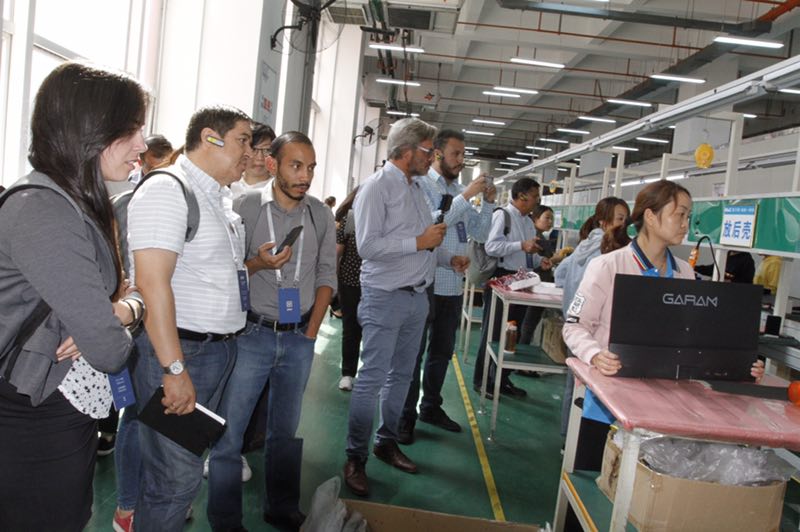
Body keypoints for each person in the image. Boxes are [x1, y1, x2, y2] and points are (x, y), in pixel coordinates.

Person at [0, 62, 142, 531]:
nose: (142, 145)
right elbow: (108, 349)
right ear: (91, 133)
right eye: (132, 130)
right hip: (34, 415)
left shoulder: (72, 203)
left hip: (55, 407)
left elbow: (113, 312)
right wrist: (116, 318)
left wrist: (120, 311)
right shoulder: (43, 211)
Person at [561, 181, 764, 468]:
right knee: (588, 490)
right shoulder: (607, 266)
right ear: (651, 216)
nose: (686, 224)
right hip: (608, 406)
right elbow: (573, 326)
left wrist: (739, 363)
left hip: (665, 411)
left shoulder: (684, 273)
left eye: (688, 216)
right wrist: (595, 355)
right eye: (679, 215)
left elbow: (694, 338)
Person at [127, 105, 252, 532]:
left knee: (175, 474)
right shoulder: (169, 190)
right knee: (175, 480)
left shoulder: (215, 195)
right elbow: (151, 282)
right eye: (242, 140)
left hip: (214, 352)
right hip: (183, 353)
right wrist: (174, 368)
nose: (250, 153)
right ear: (209, 138)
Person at [207, 131, 335, 532]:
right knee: (230, 433)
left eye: (310, 167)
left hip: (298, 338)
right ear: (272, 164)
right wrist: (260, 265)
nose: (305, 176)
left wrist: (311, 333)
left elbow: (327, 276)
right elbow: (225, 273)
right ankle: (226, 520)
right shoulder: (243, 207)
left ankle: (281, 508)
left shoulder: (320, 214)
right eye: (296, 166)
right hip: (252, 336)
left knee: (285, 432)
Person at [343, 118, 469, 497]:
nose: (432, 158)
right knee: (371, 380)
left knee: (401, 377)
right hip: (385, 297)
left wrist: (447, 259)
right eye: (429, 151)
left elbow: (425, 240)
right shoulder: (376, 188)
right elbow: (367, 246)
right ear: (408, 150)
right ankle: (355, 456)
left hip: (417, 298)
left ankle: (386, 440)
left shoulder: (415, 189)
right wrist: (418, 242)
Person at [398, 129, 494, 444]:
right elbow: (435, 224)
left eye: (464, 154)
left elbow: (479, 233)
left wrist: (487, 204)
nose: (461, 160)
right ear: (437, 153)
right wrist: (466, 199)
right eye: (456, 154)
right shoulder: (422, 185)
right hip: (426, 283)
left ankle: (431, 406)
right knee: (413, 354)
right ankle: (404, 416)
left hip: (452, 285)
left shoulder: (463, 189)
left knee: (442, 352)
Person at [553, 196, 630, 437]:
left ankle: (568, 438)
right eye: (620, 219)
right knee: (590, 394)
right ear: (604, 221)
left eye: (626, 219)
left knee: (573, 387)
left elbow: (560, 275)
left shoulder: (583, 245)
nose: (624, 225)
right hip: (592, 334)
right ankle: (576, 442)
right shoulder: (608, 255)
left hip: (574, 326)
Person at [472, 178, 552, 398]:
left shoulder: (527, 221)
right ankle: (482, 380)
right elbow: (492, 246)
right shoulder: (502, 215)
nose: (538, 200)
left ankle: (502, 379)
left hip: (521, 281)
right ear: (522, 195)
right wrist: (520, 245)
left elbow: (525, 254)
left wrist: (538, 261)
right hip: (502, 279)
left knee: (511, 334)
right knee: (493, 332)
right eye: (535, 196)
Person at [335, 186, 363, 392]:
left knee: (376, 332)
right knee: (351, 329)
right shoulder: (351, 219)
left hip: (379, 285)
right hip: (350, 282)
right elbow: (337, 252)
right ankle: (348, 373)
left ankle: (369, 374)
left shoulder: (387, 219)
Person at [229, 122, 277, 199]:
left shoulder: (280, 191)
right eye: (253, 149)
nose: (260, 157)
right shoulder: (227, 186)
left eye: (266, 150)